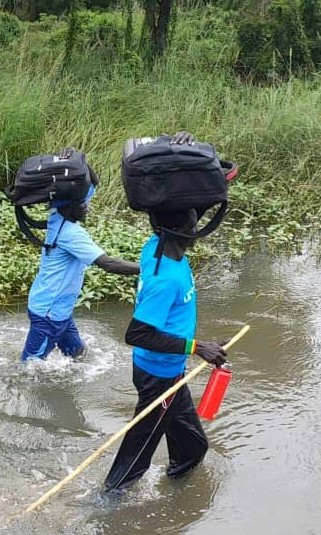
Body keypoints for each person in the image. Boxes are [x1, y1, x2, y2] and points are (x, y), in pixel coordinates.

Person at [103, 133, 228, 493]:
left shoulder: (158, 243)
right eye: (193, 221)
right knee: (135, 458)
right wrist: (197, 347)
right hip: (158, 377)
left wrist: (182, 151)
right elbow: (137, 334)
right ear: (182, 229)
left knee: (193, 447)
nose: (198, 226)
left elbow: (190, 208)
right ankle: (106, 507)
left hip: (169, 372)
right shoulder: (165, 278)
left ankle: (175, 494)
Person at [21, 163, 140, 361]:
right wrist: (150, 269)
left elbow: (93, 183)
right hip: (49, 314)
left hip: (59, 310)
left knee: (77, 354)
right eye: (83, 204)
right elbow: (108, 264)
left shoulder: (57, 216)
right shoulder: (71, 234)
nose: (87, 207)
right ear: (69, 207)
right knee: (30, 368)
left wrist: (78, 163)